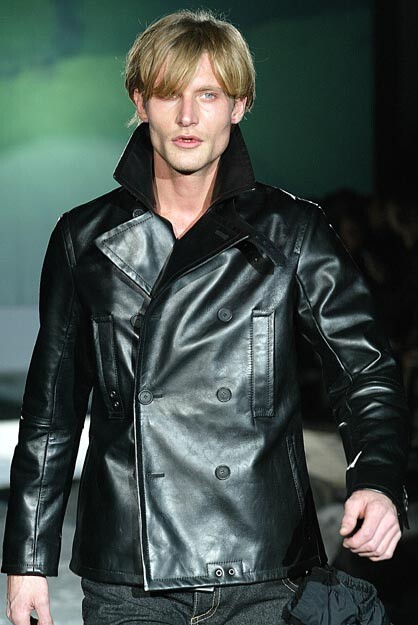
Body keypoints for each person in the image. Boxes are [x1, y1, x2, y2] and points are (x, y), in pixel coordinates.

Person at [2, 9, 409, 625]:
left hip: (264, 568)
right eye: (169, 93)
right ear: (140, 102)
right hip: (131, 576)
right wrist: (28, 560)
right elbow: (52, 412)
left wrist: (376, 480)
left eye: (209, 94)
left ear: (240, 105)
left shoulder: (292, 233)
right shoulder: (84, 240)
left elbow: (366, 372)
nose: (188, 117)